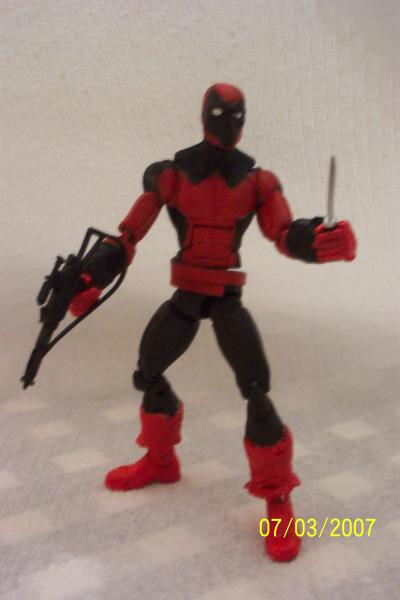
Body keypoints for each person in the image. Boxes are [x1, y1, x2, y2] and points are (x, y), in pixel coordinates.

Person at [70, 83, 356, 562]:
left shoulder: (258, 182)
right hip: (186, 293)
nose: (227, 124)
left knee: (257, 391)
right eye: (220, 114)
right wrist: (90, 276)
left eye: (235, 116)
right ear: (205, 116)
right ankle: (161, 460)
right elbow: (128, 235)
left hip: (225, 297)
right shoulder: (170, 175)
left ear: (244, 122)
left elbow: (283, 233)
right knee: (148, 372)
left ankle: (277, 499)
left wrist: (318, 242)